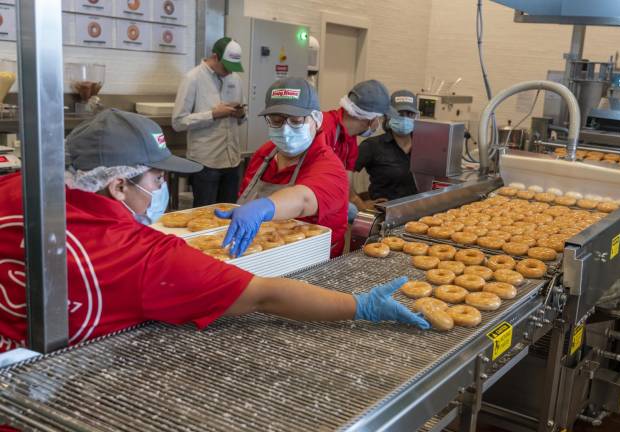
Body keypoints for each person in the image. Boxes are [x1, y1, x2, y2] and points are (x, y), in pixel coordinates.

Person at [0, 109, 428, 359]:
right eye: (156, 178)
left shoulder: (13, 186)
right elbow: (264, 294)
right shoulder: (144, 256)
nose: (161, 190)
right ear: (118, 186)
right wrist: (362, 306)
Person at [219, 77, 348, 258]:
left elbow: (303, 200)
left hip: (313, 264)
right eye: (276, 120)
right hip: (259, 252)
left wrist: (263, 207)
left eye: (296, 121)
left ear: (317, 119)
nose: (285, 131)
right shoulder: (265, 154)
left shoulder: (329, 166)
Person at [172, 36, 247, 207]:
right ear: (214, 57)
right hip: (206, 163)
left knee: (229, 214)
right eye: (226, 66)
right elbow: (178, 122)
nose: (229, 71)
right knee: (204, 217)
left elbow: (243, 118)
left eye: (233, 67)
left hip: (232, 159)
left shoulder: (235, 79)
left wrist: (240, 114)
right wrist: (213, 114)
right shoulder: (193, 78)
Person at [321, 80, 390, 218]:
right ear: (372, 119)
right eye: (379, 119)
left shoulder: (350, 139)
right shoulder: (324, 129)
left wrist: (360, 204)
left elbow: (344, 182)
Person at [355, 90, 419, 202]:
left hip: (419, 212)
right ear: (388, 115)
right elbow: (342, 174)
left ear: (416, 117)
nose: (404, 118)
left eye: (409, 114)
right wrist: (356, 201)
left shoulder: (426, 146)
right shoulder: (372, 146)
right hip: (384, 213)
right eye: (399, 113)